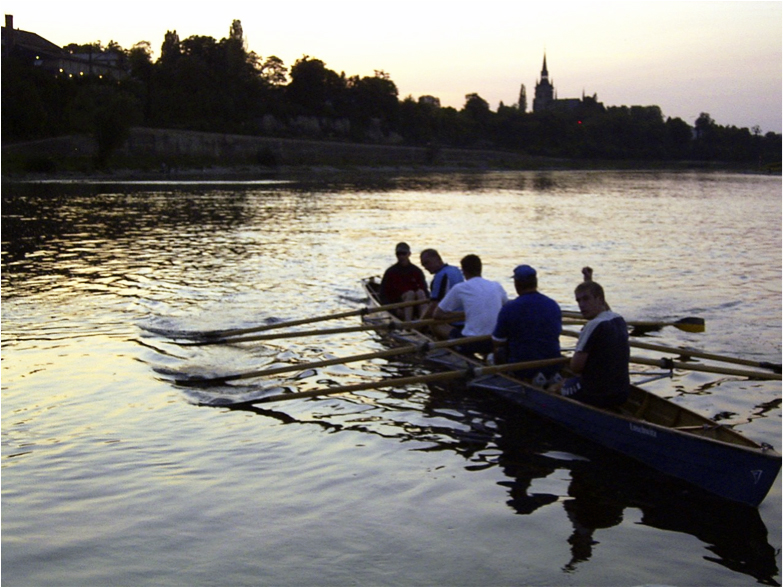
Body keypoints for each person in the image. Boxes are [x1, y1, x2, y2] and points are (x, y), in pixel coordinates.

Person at [559, 277, 630, 408]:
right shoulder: (618, 319)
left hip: (594, 394)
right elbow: (606, 308)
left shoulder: (593, 325)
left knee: (556, 387)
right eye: (578, 300)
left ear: (600, 300)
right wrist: (588, 279)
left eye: (586, 299)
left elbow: (575, 367)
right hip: (622, 393)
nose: (581, 305)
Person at [492, 264, 563, 383]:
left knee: (498, 350)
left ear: (517, 284)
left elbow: (497, 341)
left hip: (522, 368)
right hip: (553, 365)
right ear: (535, 283)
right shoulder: (553, 305)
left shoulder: (509, 308)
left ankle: (507, 377)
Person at [434, 254, 508, 356]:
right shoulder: (496, 285)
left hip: (470, 343)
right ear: (480, 269)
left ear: (463, 271)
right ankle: (488, 357)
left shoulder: (460, 288)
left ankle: (450, 353)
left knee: (436, 324)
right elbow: (506, 308)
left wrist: (462, 315)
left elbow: (437, 315)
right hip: (494, 340)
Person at [419, 248, 465, 338]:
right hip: (464, 320)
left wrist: (417, 326)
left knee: (432, 320)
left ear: (437, 259)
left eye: (427, 263)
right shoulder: (456, 270)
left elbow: (433, 307)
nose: (425, 267)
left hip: (451, 323)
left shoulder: (440, 275)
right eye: (423, 264)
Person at [379, 242, 428, 321]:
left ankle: (424, 321)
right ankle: (408, 323)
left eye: (403, 254)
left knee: (420, 293)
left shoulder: (417, 271)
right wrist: (395, 311)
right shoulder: (390, 272)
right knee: (410, 294)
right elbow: (383, 295)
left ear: (409, 254)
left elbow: (425, 292)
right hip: (398, 306)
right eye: (398, 254)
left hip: (415, 307)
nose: (401, 256)